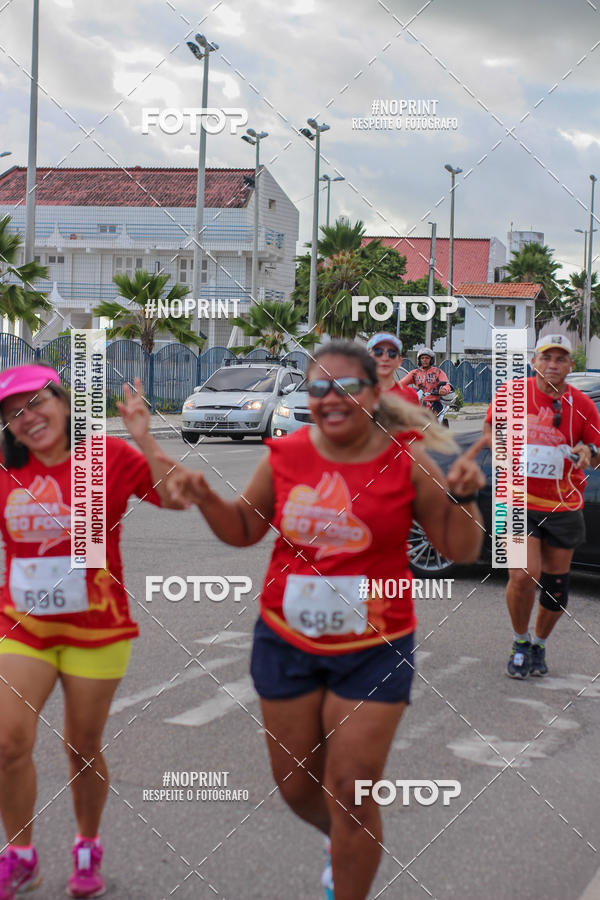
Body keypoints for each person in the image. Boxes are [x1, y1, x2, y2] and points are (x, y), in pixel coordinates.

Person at [143, 341, 485, 900]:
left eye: (347, 386)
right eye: (318, 386)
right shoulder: (287, 455)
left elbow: (461, 548)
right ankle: (347, 838)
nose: (331, 398)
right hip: (286, 643)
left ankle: (351, 850)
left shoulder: (408, 457)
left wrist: (466, 500)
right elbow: (244, 531)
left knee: (351, 793)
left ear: (374, 394)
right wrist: (205, 495)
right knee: (298, 788)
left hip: (375, 648)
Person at [0, 366, 182, 899]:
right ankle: (22, 854)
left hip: (96, 628)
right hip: (22, 625)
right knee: (9, 743)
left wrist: (145, 436)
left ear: (62, 401)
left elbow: (175, 497)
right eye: (13, 413)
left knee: (81, 746)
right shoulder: (6, 468)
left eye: (35, 402)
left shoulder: (107, 457)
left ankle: (86, 845)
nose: (27, 417)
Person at [473, 334, 600, 679]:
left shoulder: (583, 405)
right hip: (516, 500)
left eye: (560, 359)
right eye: (546, 358)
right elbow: (490, 426)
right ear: (535, 361)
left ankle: (539, 643)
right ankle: (519, 640)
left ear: (570, 366)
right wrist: (500, 451)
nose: (553, 365)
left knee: (557, 589)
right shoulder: (512, 394)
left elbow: (595, 447)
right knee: (523, 573)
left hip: (564, 504)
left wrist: (588, 454)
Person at [365, 332, 420, 406]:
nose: (385, 358)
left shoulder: (410, 395)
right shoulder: (357, 393)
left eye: (392, 353)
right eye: (378, 352)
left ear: (399, 361)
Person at [399, 347, 452, 414]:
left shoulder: (437, 372)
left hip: (434, 402)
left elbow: (446, 384)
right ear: (419, 360)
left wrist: (444, 390)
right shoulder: (414, 373)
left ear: (431, 360)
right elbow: (400, 384)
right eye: (422, 358)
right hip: (418, 402)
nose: (424, 360)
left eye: (427, 358)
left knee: (432, 416)